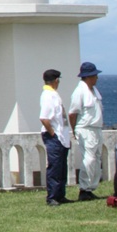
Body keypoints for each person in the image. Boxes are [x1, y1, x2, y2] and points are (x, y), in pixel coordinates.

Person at [68, 62, 104, 202]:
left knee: (96, 159)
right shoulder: (79, 92)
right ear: (89, 76)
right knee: (88, 160)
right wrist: (75, 130)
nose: (97, 78)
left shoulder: (94, 91)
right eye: (95, 75)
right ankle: (84, 188)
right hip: (86, 128)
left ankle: (90, 188)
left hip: (96, 129)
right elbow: (73, 113)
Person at [38, 68, 72, 206]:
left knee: (62, 167)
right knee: (54, 167)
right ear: (56, 81)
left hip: (61, 137)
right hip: (55, 136)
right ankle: (52, 196)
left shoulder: (53, 94)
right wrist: (53, 133)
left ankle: (60, 194)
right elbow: (44, 118)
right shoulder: (48, 95)